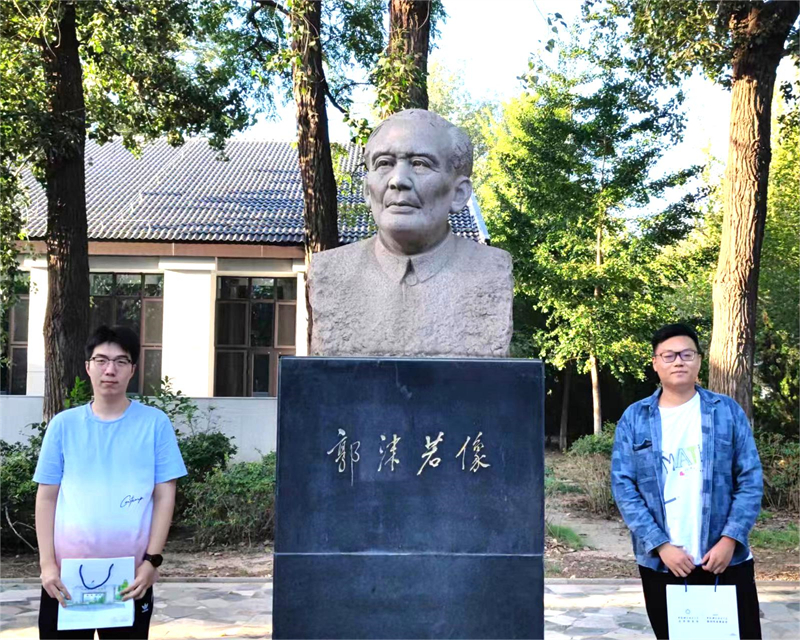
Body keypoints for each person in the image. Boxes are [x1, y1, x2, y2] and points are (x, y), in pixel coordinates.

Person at [308, 109, 513, 357]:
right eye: (384, 163)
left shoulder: (490, 271)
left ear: (459, 193)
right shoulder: (330, 272)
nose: (398, 180)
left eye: (420, 164)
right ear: (367, 191)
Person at [611, 323, 763, 639]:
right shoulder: (635, 419)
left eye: (686, 354)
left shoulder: (727, 412)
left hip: (724, 560)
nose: (678, 361)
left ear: (699, 360)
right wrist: (661, 545)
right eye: (669, 355)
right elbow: (624, 487)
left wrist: (729, 539)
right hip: (663, 562)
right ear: (655, 363)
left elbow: (750, 478)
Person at [34, 325, 187, 639]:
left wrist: (152, 561)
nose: (110, 370)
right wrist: (47, 565)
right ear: (87, 366)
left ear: (133, 370)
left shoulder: (154, 424)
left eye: (120, 361)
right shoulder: (63, 426)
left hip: (130, 578)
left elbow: (164, 495)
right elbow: (47, 497)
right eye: (101, 360)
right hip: (64, 578)